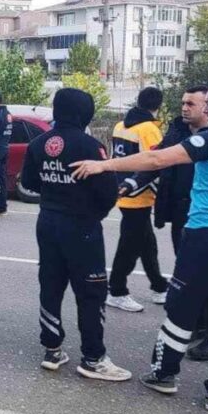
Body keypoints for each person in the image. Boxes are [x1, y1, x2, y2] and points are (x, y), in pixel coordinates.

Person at [71, 77, 208, 412]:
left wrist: (105, 164)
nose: (206, 109)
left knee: (181, 306)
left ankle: (164, 374)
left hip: (205, 237)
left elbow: (156, 161)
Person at [20, 88, 130, 382]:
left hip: (48, 222)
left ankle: (52, 349)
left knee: (51, 284)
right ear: (86, 113)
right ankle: (93, 358)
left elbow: (29, 181)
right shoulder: (91, 147)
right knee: (91, 292)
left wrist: (55, 190)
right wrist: (92, 212)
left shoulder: (39, 143)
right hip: (82, 227)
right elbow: (108, 192)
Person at [125, 86, 208, 360]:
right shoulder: (177, 130)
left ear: (207, 108)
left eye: (191, 103)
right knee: (186, 273)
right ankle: (197, 325)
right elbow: (156, 159)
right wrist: (132, 181)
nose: (184, 107)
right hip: (180, 214)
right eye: (183, 103)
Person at [106, 86, 168, 312]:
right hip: (139, 194)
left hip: (122, 190)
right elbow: (155, 163)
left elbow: (117, 158)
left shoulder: (120, 125)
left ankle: (159, 286)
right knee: (130, 247)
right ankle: (116, 290)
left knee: (146, 244)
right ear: (158, 105)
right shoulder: (149, 130)